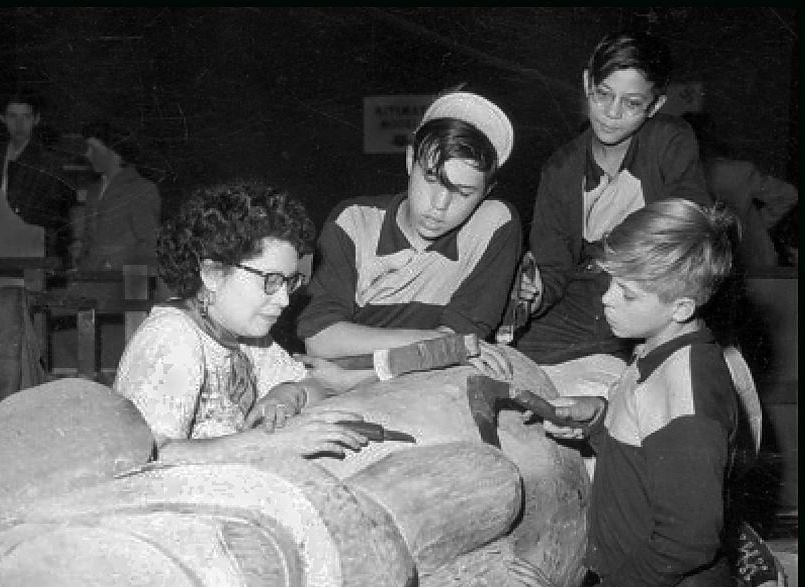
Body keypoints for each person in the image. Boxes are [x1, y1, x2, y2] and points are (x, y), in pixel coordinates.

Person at [509, 198, 749, 587]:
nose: (606, 300)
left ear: (682, 306)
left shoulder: (685, 387)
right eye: (610, 281)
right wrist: (595, 422)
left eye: (629, 293)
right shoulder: (657, 351)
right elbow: (648, 450)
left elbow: (690, 538)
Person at [113, 180, 371, 462]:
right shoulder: (172, 338)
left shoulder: (249, 339)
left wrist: (288, 394)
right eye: (271, 281)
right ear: (212, 274)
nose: (284, 300)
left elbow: (318, 386)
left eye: (289, 281)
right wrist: (271, 443)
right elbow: (150, 455)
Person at [512, 32, 712, 374]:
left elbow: (691, 231)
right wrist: (532, 291)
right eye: (602, 94)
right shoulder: (560, 170)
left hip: (650, 296)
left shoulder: (669, 141)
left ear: (655, 105)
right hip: (579, 302)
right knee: (511, 363)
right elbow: (553, 266)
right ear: (588, 82)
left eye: (632, 103)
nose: (611, 113)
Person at [297, 88, 522, 380]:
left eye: (463, 193)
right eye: (431, 179)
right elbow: (320, 339)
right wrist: (438, 343)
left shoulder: (495, 224)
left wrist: (366, 367)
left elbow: (456, 339)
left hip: (397, 382)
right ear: (409, 160)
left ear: (485, 193)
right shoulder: (354, 220)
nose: (439, 206)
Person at [682, 111, 798, 269]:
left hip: (724, 261)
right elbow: (787, 195)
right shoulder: (738, 171)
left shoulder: (676, 175)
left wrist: (754, 225)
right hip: (748, 259)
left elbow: (788, 195)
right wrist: (755, 226)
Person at [0, 89, 75, 260]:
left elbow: (58, 219)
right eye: (13, 116)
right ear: (2, 119)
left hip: (32, 247)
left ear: (36, 120)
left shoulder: (49, 163)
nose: (19, 124)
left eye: (26, 117)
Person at [70, 121, 162, 271]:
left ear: (114, 152)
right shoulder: (94, 190)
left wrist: (113, 263)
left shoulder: (142, 189)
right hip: (91, 278)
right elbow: (89, 239)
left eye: (93, 149)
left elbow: (148, 244)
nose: (87, 154)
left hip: (123, 283)